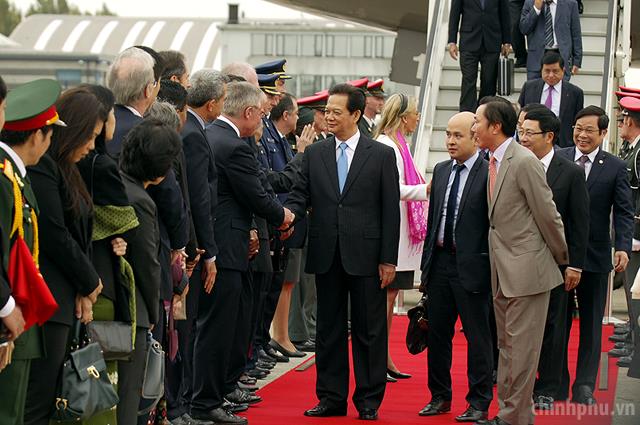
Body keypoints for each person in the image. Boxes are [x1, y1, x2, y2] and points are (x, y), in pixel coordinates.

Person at [285, 83, 401, 421]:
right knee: (329, 331)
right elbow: (300, 195)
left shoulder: (380, 155)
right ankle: (331, 398)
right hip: (327, 254)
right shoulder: (316, 153)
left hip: (367, 256)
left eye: (337, 111)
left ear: (356, 114)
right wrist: (286, 217)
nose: (329, 117)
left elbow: (390, 211)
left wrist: (388, 259)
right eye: (327, 111)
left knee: (369, 331)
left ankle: (368, 400)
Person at [190, 82, 293, 425]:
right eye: (261, 114)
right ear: (248, 112)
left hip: (225, 243)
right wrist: (283, 216)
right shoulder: (234, 146)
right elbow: (255, 195)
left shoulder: (212, 134)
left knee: (220, 326)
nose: (263, 120)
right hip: (226, 247)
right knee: (218, 329)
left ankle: (212, 395)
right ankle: (206, 402)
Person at [473, 100, 568, 425]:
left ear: (495, 126)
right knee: (507, 346)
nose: (473, 128)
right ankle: (512, 413)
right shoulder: (492, 161)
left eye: (477, 121)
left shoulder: (524, 161)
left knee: (523, 350)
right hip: (502, 271)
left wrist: (560, 259)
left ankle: (513, 416)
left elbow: (548, 216)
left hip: (528, 272)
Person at [24, 89, 105, 425]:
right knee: (39, 399)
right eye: (90, 136)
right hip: (50, 296)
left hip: (66, 296)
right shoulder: (42, 167)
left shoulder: (67, 169)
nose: (92, 146)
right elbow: (54, 233)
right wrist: (89, 281)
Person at [418, 111, 493, 422]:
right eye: (447, 134)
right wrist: (426, 269)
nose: (450, 141)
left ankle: (479, 401)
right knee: (437, 335)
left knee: (478, 337)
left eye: (457, 135)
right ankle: (439, 396)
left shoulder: (489, 173)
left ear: (475, 138)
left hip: (473, 267)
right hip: (440, 263)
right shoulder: (441, 170)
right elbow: (434, 221)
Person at [556, 106, 633, 405]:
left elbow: (623, 211)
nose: (582, 135)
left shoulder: (615, 167)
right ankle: (555, 383)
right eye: (578, 128)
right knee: (557, 324)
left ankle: (584, 386)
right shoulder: (559, 158)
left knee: (590, 327)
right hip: (560, 256)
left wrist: (622, 246)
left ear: (603, 133)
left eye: (589, 130)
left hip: (596, 256)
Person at [0, 77, 64, 425]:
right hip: (8, 318)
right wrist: (6, 307)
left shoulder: (16, 175)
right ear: (38, 135)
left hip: (18, 316)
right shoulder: (4, 177)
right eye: (50, 135)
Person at [518, 106, 589, 410]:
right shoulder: (513, 165)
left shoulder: (570, 172)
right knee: (520, 327)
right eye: (521, 132)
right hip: (518, 260)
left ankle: (547, 387)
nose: (523, 138)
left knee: (553, 327)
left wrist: (574, 264)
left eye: (529, 133)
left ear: (549, 136)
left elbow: (579, 222)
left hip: (555, 264)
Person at [75, 84, 137, 425]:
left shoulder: (66, 164)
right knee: (98, 377)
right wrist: (120, 234)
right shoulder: (100, 165)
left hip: (84, 277)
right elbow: (124, 220)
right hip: (99, 280)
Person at [118, 119, 182, 425]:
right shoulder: (141, 201)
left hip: (120, 301)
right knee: (133, 393)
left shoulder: (119, 184)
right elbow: (147, 261)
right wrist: (155, 307)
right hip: (137, 308)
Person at [373, 93, 427, 382]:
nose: (417, 119)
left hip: (403, 235)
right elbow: (392, 189)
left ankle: (384, 357)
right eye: (415, 113)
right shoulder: (387, 145)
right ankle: (378, 359)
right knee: (385, 297)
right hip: (392, 234)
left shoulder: (401, 145)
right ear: (404, 117)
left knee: (391, 296)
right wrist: (425, 190)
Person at [448, 0, 511, 112]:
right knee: (468, 80)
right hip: (469, 40)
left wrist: (506, 41)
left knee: (489, 80)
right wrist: (452, 41)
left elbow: (505, 14)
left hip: (492, 40)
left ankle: (485, 112)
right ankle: (467, 114)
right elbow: (454, 14)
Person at [518, 50, 584, 147]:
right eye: (547, 71)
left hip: (563, 144)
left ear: (563, 70)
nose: (551, 75)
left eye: (555, 71)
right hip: (532, 141)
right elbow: (521, 114)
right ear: (541, 70)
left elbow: (578, 122)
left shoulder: (575, 93)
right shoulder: (529, 87)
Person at [519, 0, 583, 80]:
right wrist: (536, 9)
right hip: (537, 58)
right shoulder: (530, 2)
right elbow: (524, 29)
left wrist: (577, 60)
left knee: (560, 88)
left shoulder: (570, 3)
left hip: (561, 55)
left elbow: (576, 34)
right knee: (535, 87)